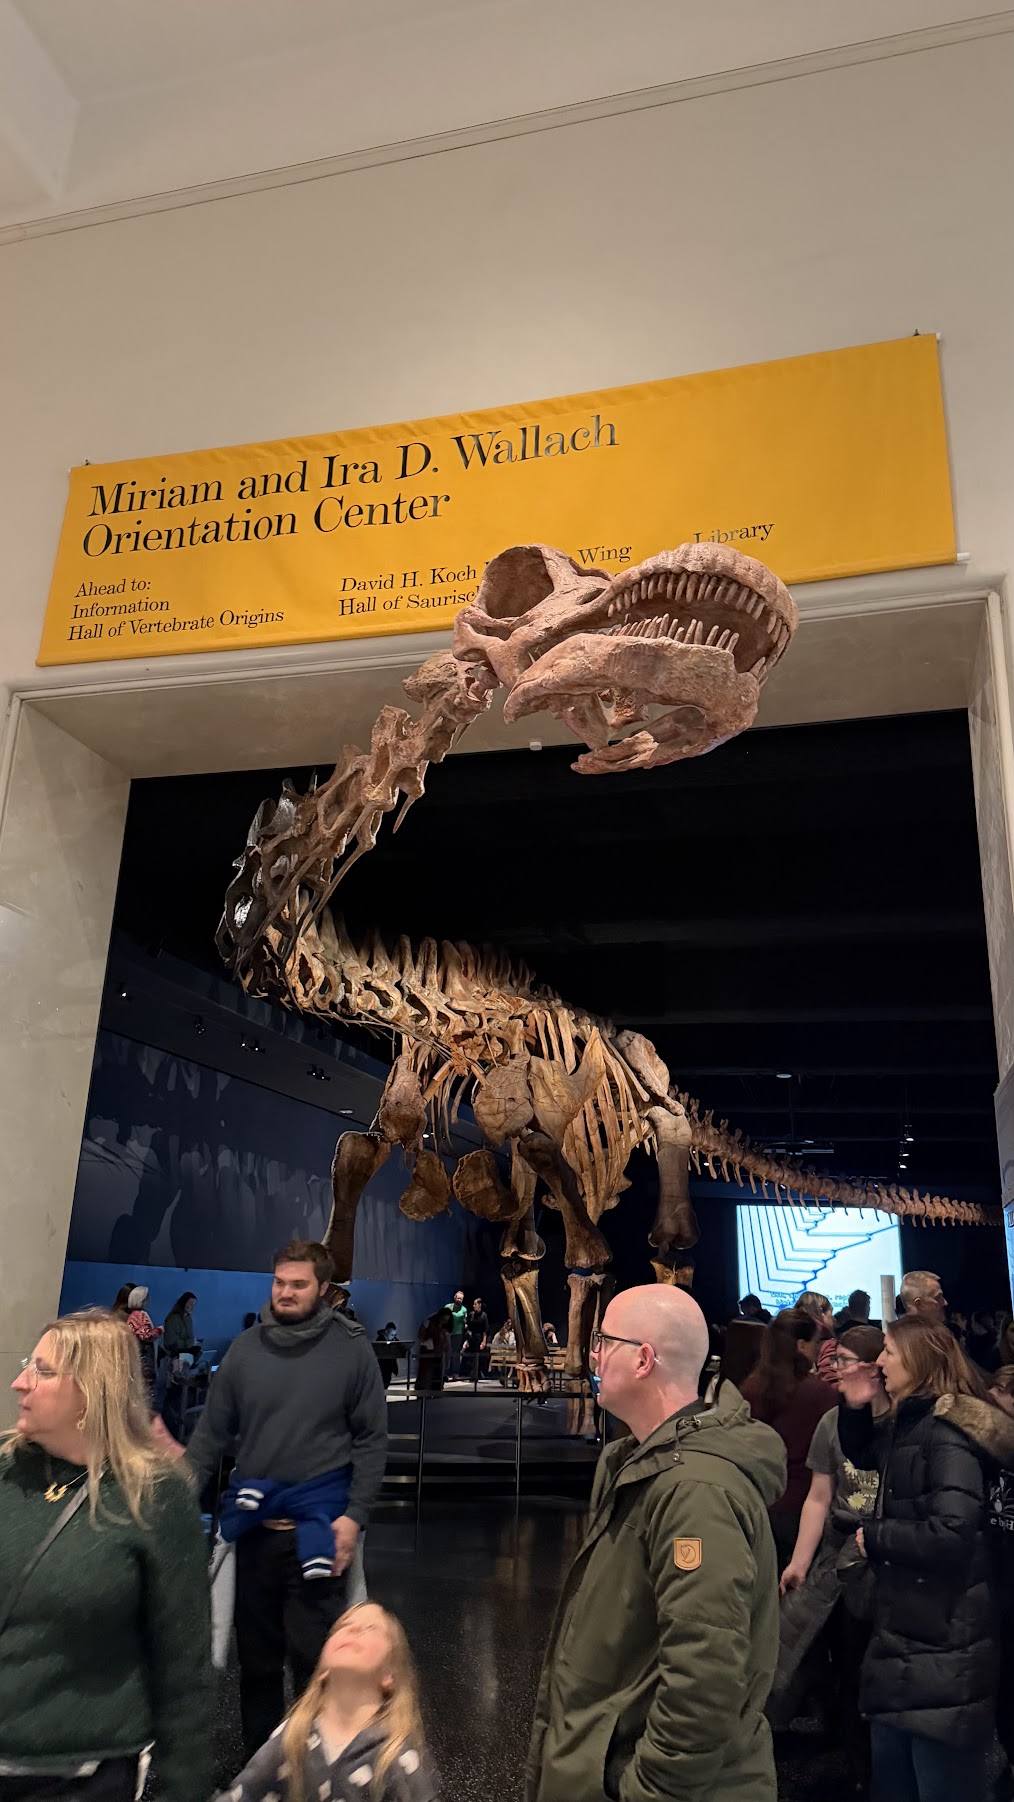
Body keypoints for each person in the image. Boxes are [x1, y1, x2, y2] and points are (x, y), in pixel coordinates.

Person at [526, 1285, 785, 1802]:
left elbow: (705, 1676)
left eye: (603, 1341)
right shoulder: (643, 1464)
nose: (593, 1355)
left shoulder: (695, 1492)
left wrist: (648, 1789)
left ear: (644, 1360)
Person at [0, 1308, 214, 1802]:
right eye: (28, 1365)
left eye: (42, 1371)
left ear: (92, 1392)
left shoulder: (154, 1499)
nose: (19, 1383)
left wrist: (183, 1788)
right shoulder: (6, 1472)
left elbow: (185, 1667)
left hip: (75, 1778)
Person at [186, 1239, 388, 1757]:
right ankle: (261, 1765)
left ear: (324, 1289)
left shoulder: (352, 1351)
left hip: (319, 1535)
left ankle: (312, 1768)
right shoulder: (245, 1350)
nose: (286, 1292)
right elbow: (210, 1436)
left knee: (314, 1661)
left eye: (298, 1284)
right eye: (279, 1282)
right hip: (254, 1532)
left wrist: (354, 1518)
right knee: (256, 1662)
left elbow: (371, 1440)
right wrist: (177, 1497)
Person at [839, 1313, 1014, 1799]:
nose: (879, 1361)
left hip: (945, 1641)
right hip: (916, 1633)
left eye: (889, 1351)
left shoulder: (947, 1432)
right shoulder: (916, 1422)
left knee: (940, 1784)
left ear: (918, 1361)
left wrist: (875, 1538)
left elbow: (951, 1533)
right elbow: (869, 1455)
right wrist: (856, 1406)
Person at [771, 1326, 887, 1791]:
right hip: (837, 1558)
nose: (833, 1369)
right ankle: (852, 1757)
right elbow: (819, 1496)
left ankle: (874, 1766)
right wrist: (799, 1562)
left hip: (885, 1560)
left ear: (874, 1368)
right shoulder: (831, 1422)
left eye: (843, 1360)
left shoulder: (901, 1421)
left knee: (873, 1663)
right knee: (839, 1656)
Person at [216, 1602, 437, 1802]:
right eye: (342, 1627)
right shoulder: (292, 1739)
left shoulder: (397, 1756)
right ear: (323, 1670)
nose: (352, 1630)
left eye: (370, 1628)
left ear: (389, 1675)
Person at [740, 1308, 837, 1567]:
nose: (818, 1349)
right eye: (816, 1343)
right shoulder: (822, 1395)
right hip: (803, 1511)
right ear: (801, 1345)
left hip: (757, 1505)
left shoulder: (748, 1391)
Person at [125, 1284, 163, 1396]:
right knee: (147, 1387)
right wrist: (160, 1330)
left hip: (138, 1355)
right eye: (147, 1298)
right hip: (144, 1356)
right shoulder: (140, 1316)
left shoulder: (133, 1315)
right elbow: (146, 1335)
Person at [796, 1290, 838, 1383]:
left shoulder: (788, 1338)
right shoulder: (829, 1345)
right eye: (831, 1312)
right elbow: (830, 1380)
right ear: (821, 1313)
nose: (834, 1319)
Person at [415, 1310, 452, 1392]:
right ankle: (422, 1392)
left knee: (437, 1373)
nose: (444, 1322)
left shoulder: (445, 1327)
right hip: (428, 1352)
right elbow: (420, 1335)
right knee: (425, 1373)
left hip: (439, 1353)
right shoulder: (429, 1321)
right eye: (443, 1319)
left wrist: (447, 1356)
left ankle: (436, 1391)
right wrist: (426, 1343)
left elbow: (447, 1342)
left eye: (446, 1320)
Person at [162, 1290, 200, 1361]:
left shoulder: (188, 1319)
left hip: (186, 1355)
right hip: (175, 1357)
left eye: (194, 1305)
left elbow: (188, 1337)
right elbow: (170, 1342)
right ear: (183, 1303)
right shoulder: (173, 1319)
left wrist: (192, 1342)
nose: (192, 1307)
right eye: (190, 1304)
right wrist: (190, 1343)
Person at [461, 1299, 489, 1381]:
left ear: (479, 1305)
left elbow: (485, 1330)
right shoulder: (471, 1314)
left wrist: (484, 1341)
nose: (474, 1306)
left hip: (479, 1337)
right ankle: (473, 1374)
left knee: (478, 1357)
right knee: (471, 1356)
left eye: (475, 1304)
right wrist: (467, 1339)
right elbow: (468, 1326)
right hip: (471, 1337)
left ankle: (476, 1374)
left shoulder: (484, 1315)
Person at [442, 1290, 467, 1378]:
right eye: (458, 1298)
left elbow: (464, 1321)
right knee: (446, 1353)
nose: (459, 1300)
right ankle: (444, 1372)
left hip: (458, 1333)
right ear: (454, 1298)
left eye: (461, 1299)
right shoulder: (447, 1307)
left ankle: (455, 1373)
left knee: (456, 1354)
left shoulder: (464, 1310)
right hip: (448, 1333)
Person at [490, 1320, 516, 1387]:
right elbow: (511, 1345)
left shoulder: (498, 1333)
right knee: (517, 1359)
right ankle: (515, 1378)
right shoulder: (511, 1334)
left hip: (497, 1356)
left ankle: (503, 1376)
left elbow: (493, 1343)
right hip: (507, 1357)